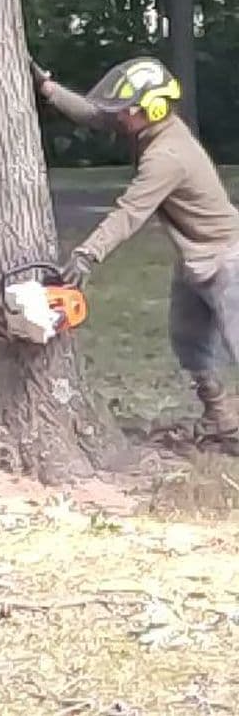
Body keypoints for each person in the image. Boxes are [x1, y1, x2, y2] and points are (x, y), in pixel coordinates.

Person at [32, 54, 239, 443]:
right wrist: (48, 87)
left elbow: (130, 212)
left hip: (227, 258)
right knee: (189, 341)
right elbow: (95, 114)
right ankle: (221, 417)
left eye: (125, 110)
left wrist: (87, 254)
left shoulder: (167, 156)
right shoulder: (146, 125)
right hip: (194, 256)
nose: (118, 116)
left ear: (153, 108)